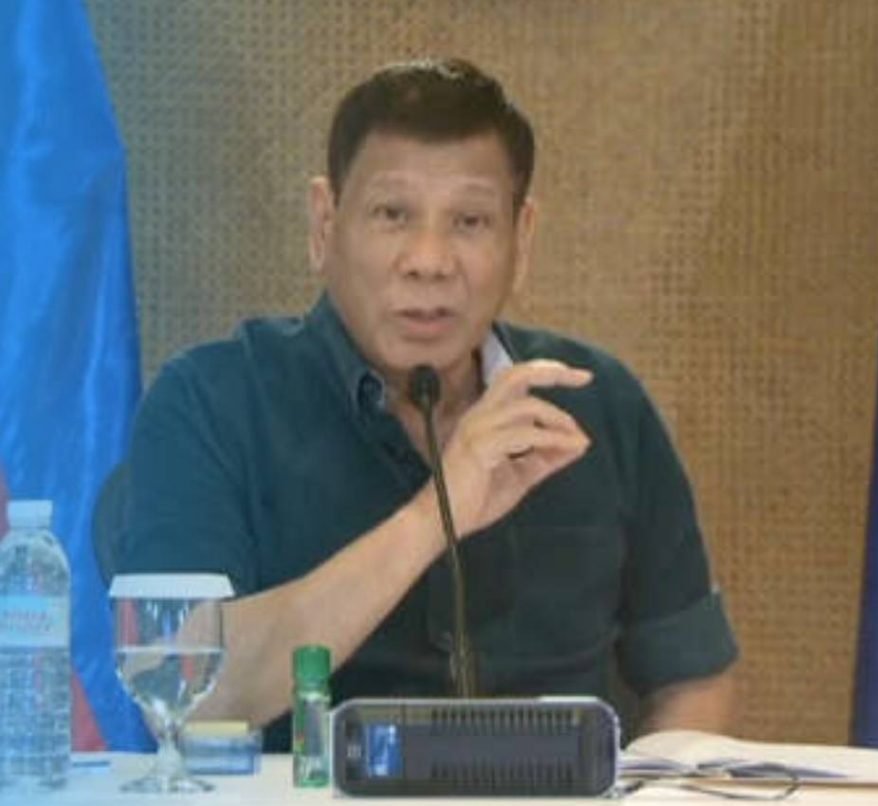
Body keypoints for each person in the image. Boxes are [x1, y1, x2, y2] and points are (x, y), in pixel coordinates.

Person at [121, 58, 738, 751]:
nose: (430, 260)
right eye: (393, 215)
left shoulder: (598, 406)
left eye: (470, 221)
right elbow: (182, 693)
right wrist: (432, 517)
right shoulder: (212, 402)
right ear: (324, 224)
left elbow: (693, 679)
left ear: (522, 239)